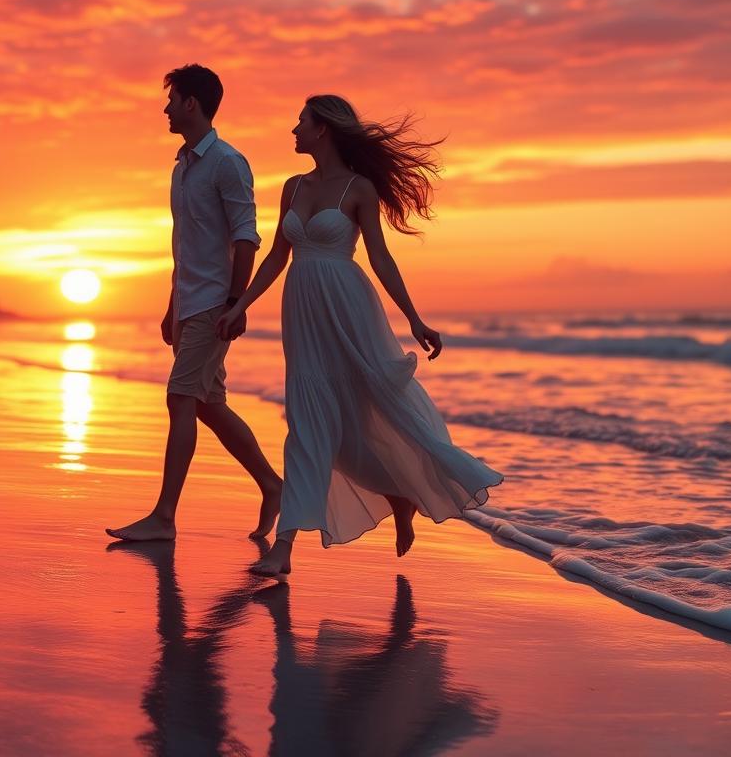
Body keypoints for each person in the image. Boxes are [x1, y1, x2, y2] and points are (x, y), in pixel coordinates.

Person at [217, 95, 503, 576]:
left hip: (349, 309)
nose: (294, 129)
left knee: (363, 416)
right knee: (308, 420)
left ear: (323, 129)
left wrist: (414, 318)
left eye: (301, 121)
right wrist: (240, 304)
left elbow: (381, 258)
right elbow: (276, 258)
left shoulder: (359, 188)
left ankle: (394, 496)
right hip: (302, 309)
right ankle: (346, 520)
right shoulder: (291, 187)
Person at [107, 64, 283, 542]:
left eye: (172, 99)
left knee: (180, 397)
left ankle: (164, 518)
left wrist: (236, 303)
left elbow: (247, 238)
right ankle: (272, 485)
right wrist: (171, 303)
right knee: (208, 403)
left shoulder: (228, 163)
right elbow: (184, 242)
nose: (165, 108)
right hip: (189, 302)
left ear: (191, 103)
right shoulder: (181, 167)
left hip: (214, 305)